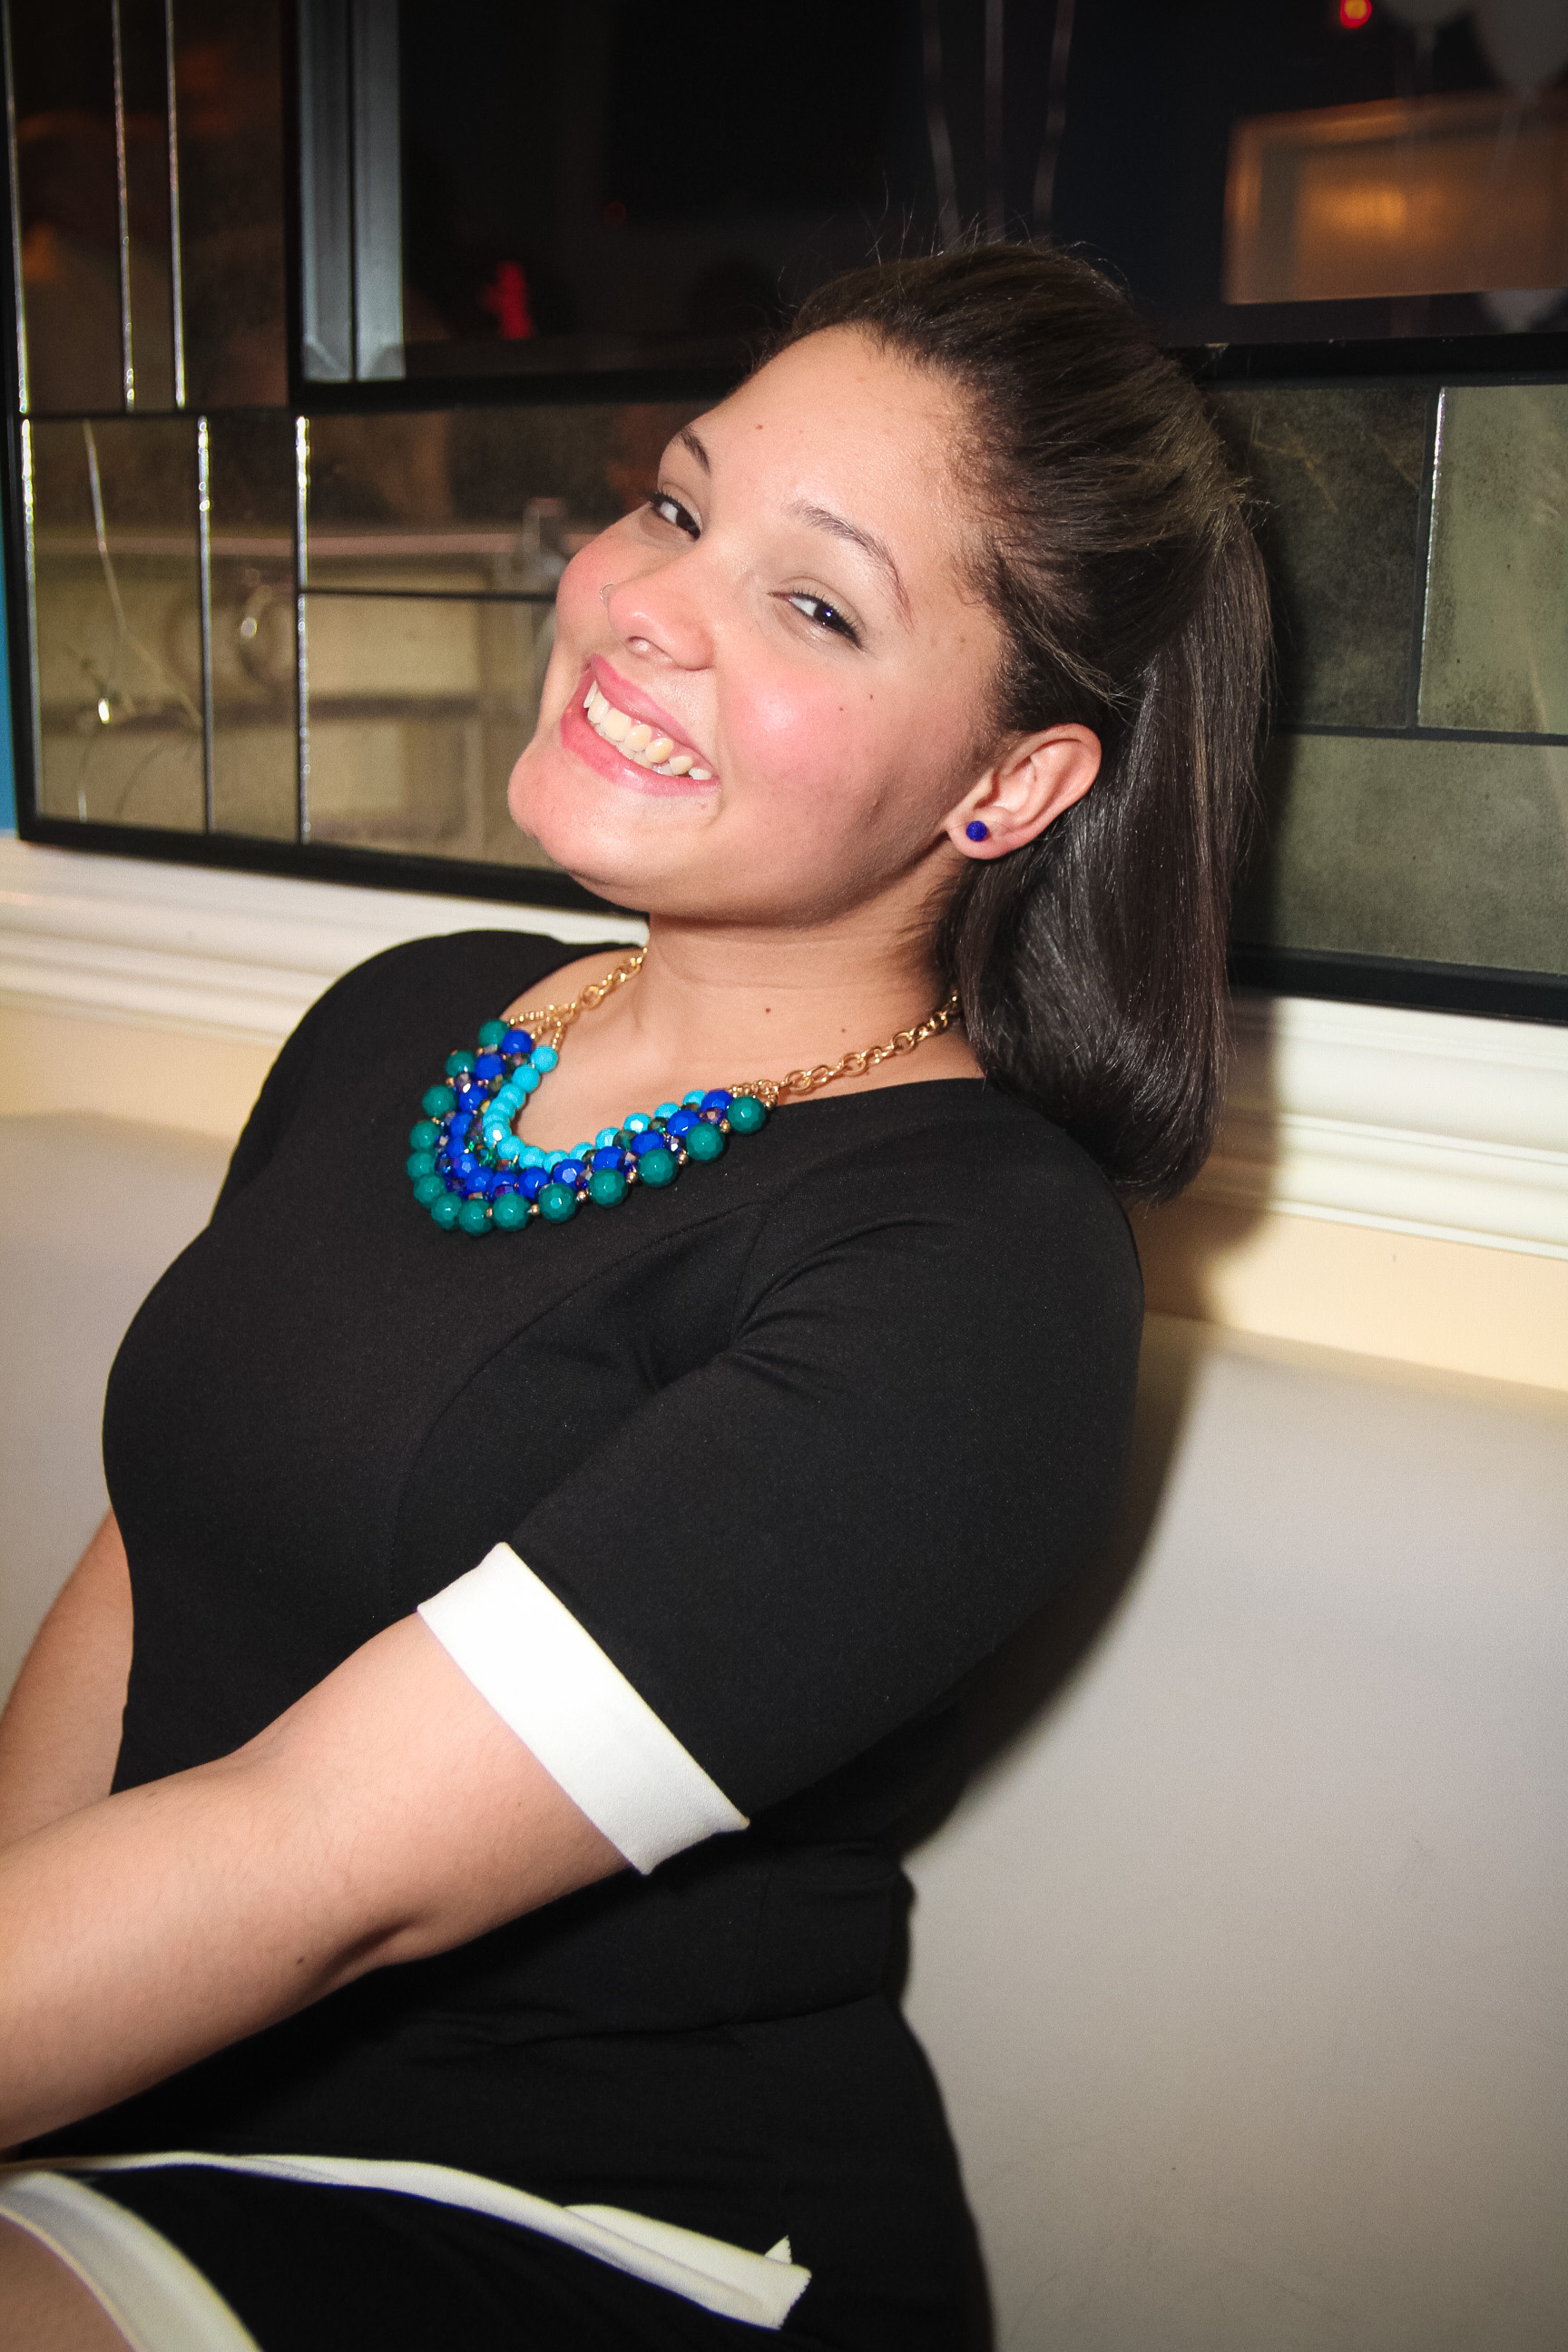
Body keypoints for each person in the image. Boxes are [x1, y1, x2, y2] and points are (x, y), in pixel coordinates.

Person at [0, 243, 1269, 2351]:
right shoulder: (405, 1016)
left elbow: (323, 1864)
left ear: (1016, 784)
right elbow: (157, 1558)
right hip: (152, 2113)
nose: (645, 604)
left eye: (815, 603)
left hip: (585, 2222)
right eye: (679, 504)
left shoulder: (976, 1266)